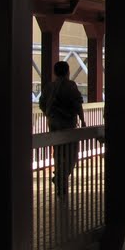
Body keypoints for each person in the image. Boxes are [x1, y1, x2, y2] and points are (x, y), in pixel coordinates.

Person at [40, 61, 85, 197]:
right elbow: (77, 104)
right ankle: (62, 176)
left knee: (59, 154)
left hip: (54, 124)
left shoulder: (49, 87)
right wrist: (82, 120)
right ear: (67, 72)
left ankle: (60, 177)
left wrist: (50, 115)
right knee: (72, 155)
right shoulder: (71, 86)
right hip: (69, 125)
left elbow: (42, 103)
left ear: (55, 72)